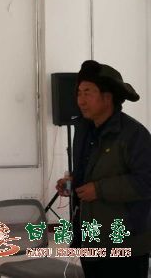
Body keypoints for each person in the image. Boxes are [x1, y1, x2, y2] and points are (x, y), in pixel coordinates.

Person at [55, 60, 151, 278]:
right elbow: (89, 171)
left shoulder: (134, 135)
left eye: (88, 93)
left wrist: (99, 190)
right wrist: (72, 183)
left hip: (125, 243)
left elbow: (146, 181)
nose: (80, 100)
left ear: (108, 98)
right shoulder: (83, 130)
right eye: (79, 93)